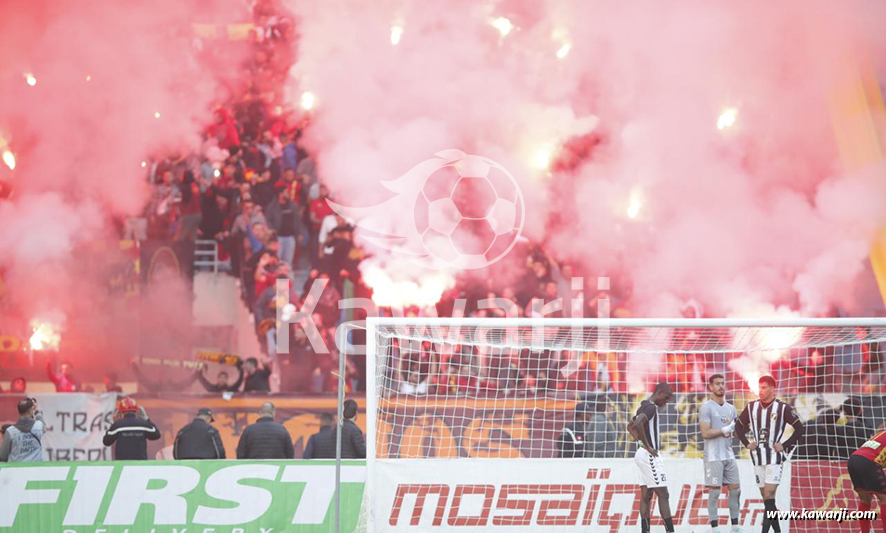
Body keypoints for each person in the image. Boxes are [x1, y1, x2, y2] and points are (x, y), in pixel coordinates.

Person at [735, 375, 805, 533]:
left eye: (764, 387)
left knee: (768, 495)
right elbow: (738, 427)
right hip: (757, 458)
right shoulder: (751, 406)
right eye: (759, 387)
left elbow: (800, 429)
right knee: (768, 501)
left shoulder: (782, 408)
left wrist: (785, 445)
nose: (760, 391)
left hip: (774, 457)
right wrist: (747, 443)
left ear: (773, 389)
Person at [627, 382, 675, 533]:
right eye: (666, 398)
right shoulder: (651, 407)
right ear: (659, 392)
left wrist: (641, 443)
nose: (666, 402)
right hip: (648, 455)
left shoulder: (643, 406)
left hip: (642, 453)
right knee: (663, 494)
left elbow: (630, 426)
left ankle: (645, 531)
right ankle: (670, 531)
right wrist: (648, 447)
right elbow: (639, 422)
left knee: (647, 495)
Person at [698, 374, 743, 533]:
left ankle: (735, 527)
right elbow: (705, 433)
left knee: (736, 490)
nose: (721, 386)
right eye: (717, 384)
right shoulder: (706, 407)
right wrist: (723, 430)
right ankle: (715, 529)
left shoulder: (731, 408)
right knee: (715, 492)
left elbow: (735, 432)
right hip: (713, 457)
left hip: (728, 455)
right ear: (710, 387)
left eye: (723, 383)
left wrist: (742, 430)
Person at [847, 428, 886, 533]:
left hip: (853, 459)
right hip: (869, 461)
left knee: (865, 500)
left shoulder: (881, 433)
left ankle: (865, 531)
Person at [0, 398, 44, 462]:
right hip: (36, 469)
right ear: (30, 411)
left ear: (18, 412)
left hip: (16, 470)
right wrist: (36, 410)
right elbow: (42, 421)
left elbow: (3, 457)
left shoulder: (10, 432)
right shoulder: (39, 426)